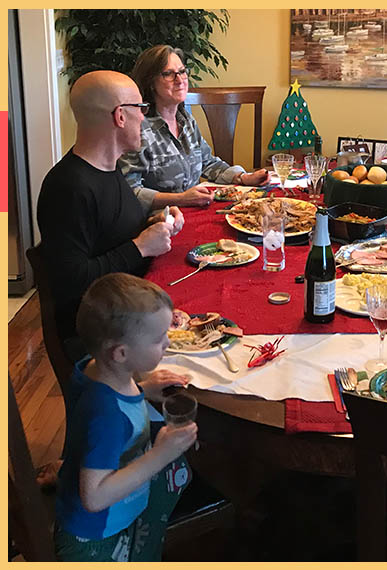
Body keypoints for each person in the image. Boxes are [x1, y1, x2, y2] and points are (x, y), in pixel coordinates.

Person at [37, 70, 185, 361]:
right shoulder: (67, 188)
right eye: (140, 109)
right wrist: (141, 246)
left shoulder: (109, 167)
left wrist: (157, 222)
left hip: (133, 306)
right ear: (120, 116)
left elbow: (113, 231)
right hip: (103, 341)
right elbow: (71, 282)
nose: (144, 117)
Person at [54, 273, 197, 561]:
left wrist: (143, 390)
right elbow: (94, 497)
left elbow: (96, 425)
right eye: (159, 339)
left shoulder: (97, 371)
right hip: (96, 540)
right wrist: (160, 454)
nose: (167, 343)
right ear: (121, 353)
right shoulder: (106, 413)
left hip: (100, 516)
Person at [118, 45, 271, 214]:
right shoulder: (137, 129)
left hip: (193, 211)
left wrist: (243, 177)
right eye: (168, 74)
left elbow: (208, 162)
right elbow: (130, 192)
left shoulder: (186, 121)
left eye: (182, 71)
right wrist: (181, 199)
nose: (180, 79)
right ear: (151, 82)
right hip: (159, 222)